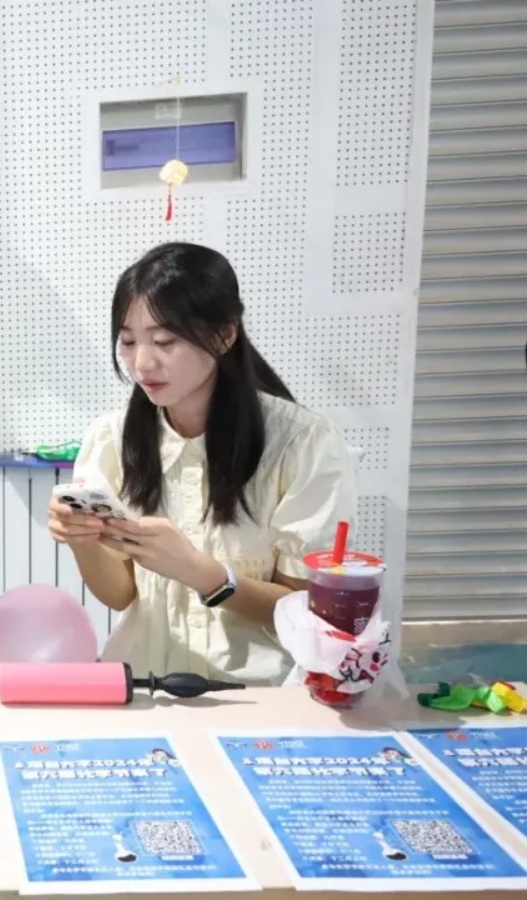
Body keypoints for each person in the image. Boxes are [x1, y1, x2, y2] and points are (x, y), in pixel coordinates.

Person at [48, 242, 355, 686]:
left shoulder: (303, 444)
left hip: (257, 694)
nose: (141, 363)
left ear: (225, 335)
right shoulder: (112, 440)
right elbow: (120, 595)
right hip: (145, 683)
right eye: (128, 341)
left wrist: (200, 572)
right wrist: (82, 540)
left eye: (164, 341)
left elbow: (307, 613)